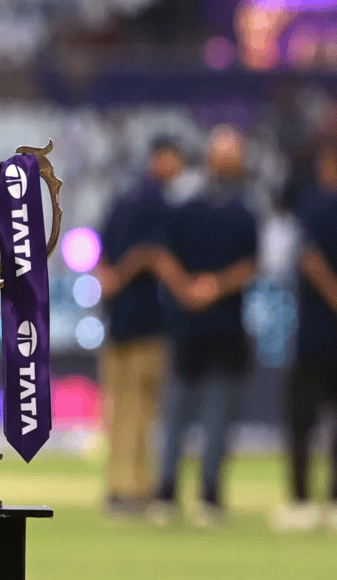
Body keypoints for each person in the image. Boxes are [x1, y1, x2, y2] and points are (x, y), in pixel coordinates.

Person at [149, 125, 258, 526]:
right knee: (196, 415)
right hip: (209, 327)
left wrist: (193, 289)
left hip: (209, 327)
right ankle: (190, 495)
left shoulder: (204, 207)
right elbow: (249, 266)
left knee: (194, 414)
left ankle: (185, 494)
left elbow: (162, 256)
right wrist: (206, 288)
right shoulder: (233, 209)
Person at [95, 137, 182, 516]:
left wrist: (109, 278)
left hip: (116, 321)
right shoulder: (159, 204)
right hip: (147, 321)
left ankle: (117, 486)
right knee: (143, 409)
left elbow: (100, 248)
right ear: (161, 159)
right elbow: (153, 254)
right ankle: (136, 487)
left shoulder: (122, 200)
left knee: (118, 407)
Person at [274, 142, 337, 533]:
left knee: (303, 420)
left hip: (315, 334)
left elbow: (308, 258)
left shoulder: (317, 206)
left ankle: (302, 501)